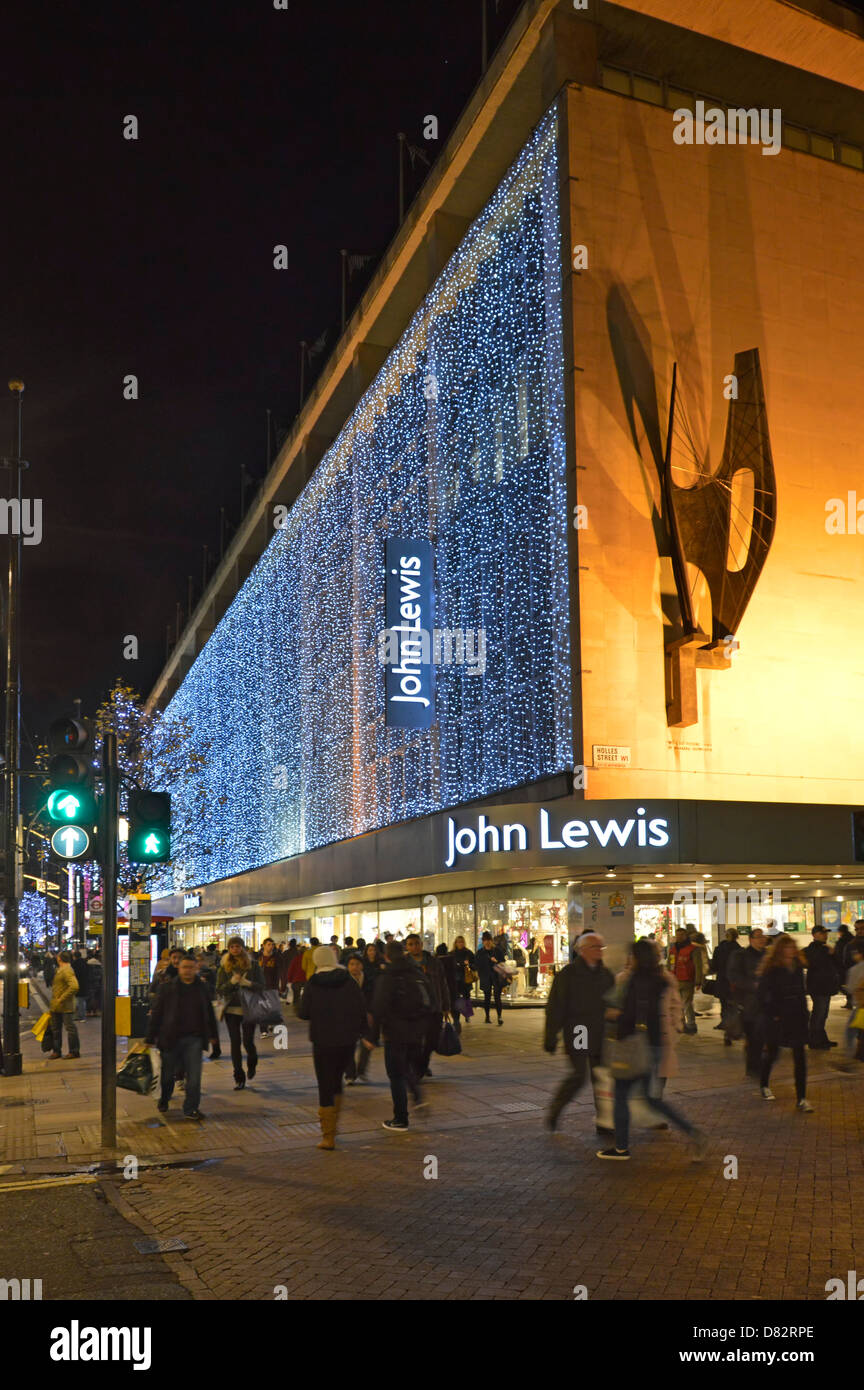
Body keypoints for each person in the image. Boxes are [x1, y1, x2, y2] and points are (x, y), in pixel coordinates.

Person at [597, 939, 706, 1161]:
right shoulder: (661, 979)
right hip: (655, 1045)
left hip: (634, 1046)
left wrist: (614, 1017)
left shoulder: (634, 981)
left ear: (636, 958)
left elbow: (629, 1014)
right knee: (650, 1098)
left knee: (621, 1096)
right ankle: (692, 1132)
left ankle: (621, 1148)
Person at [544, 932, 614, 1135]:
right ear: (582, 950)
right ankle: (556, 1108)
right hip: (579, 1031)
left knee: (601, 1078)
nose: (599, 951)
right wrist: (551, 1036)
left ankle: (605, 1121)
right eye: (595, 947)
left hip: (601, 1031)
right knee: (579, 1075)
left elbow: (614, 1001)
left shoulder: (606, 974)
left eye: (601, 947)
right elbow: (556, 1007)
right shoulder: (569, 974)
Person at [297, 946, 367, 1149]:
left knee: (324, 1083)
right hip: (346, 1039)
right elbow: (360, 1007)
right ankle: (334, 1127)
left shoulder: (313, 982)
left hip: (322, 1040)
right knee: (337, 1081)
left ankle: (328, 1136)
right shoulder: (348, 980)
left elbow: (303, 1013)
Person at [147, 954, 218, 1120]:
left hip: (194, 1038)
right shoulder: (167, 988)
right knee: (167, 1075)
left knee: (194, 1077)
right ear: (179, 969)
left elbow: (209, 1012)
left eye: (191, 967)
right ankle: (164, 1098)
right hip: (170, 1038)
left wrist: (213, 1035)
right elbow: (157, 1013)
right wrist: (150, 1037)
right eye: (184, 967)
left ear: (196, 969)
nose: (187, 971)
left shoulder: (202, 988)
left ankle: (191, 1108)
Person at [371, 940, 432, 1131]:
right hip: (416, 1031)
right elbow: (430, 999)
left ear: (387, 955)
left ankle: (400, 1118)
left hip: (394, 1033)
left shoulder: (388, 976)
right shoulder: (416, 972)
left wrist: (372, 1036)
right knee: (407, 1068)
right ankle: (417, 1093)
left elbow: (378, 1008)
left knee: (396, 1074)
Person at [756, 934, 813, 1110]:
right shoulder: (772, 969)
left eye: (792, 947)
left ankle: (801, 1098)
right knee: (772, 1053)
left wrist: (805, 1014)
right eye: (787, 948)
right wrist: (773, 1013)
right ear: (780, 950)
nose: (790, 951)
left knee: (800, 1058)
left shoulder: (797, 967)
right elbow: (763, 994)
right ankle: (764, 1084)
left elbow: (801, 992)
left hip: (796, 1016)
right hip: (778, 1017)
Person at [216, 936, 263, 1089]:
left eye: (237, 946)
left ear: (242, 947)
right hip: (231, 1009)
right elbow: (219, 988)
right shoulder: (224, 967)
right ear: (229, 949)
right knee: (235, 1042)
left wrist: (247, 983)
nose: (235, 949)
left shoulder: (253, 965)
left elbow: (262, 986)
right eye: (232, 947)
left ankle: (252, 1062)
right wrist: (232, 982)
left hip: (249, 1008)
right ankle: (238, 1076)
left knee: (248, 1041)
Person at [405, 932, 451, 1075]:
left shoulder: (433, 962)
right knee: (416, 1042)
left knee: (432, 1040)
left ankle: (422, 1065)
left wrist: (446, 1006)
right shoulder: (404, 963)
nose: (415, 947)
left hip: (434, 1007)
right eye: (411, 944)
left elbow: (443, 984)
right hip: (414, 1009)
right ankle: (419, 1068)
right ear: (407, 947)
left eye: (417, 943)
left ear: (421, 944)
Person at [728, 927, 767, 1077]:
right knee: (753, 1036)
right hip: (749, 1003)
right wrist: (752, 985)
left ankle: (758, 1063)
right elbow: (734, 976)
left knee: (764, 1036)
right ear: (751, 940)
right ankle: (753, 1067)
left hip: (767, 1002)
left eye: (763, 936)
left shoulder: (769, 955)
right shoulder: (741, 955)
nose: (762, 939)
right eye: (758, 936)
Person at [802, 926, 839, 1050]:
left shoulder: (825, 949)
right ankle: (815, 1041)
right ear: (815, 935)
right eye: (822, 933)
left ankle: (821, 1039)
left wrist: (833, 954)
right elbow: (814, 963)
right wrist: (828, 953)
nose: (825, 935)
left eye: (825, 933)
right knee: (819, 1013)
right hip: (818, 987)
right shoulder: (812, 949)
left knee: (822, 1014)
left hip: (825, 986)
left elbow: (835, 964)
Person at [345, 954, 377, 1084]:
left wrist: (371, 1012)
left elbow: (374, 998)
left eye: (357, 964)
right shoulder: (344, 981)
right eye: (352, 964)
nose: (354, 967)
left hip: (367, 1017)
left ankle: (362, 1070)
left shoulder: (369, 980)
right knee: (348, 1046)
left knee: (367, 1045)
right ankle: (350, 1074)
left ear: (362, 965)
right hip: (349, 1018)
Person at [710, 928, 742, 1044]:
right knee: (732, 1007)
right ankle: (730, 1030)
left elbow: (714, 966)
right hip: (733, 982)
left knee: (724, 1006)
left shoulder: (719, 949)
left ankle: (726, 1026)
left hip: (722, 981)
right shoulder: (739, 950)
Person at [667, 928, 701, 1034]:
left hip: (687, 980)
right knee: (678, 1004)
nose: (679, 937)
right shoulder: (672, 949)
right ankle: (681, 1024)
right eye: (677, 935)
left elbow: (698, 965)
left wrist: (698, 981)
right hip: (675, 980)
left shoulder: (693, 949)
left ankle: (691, 1025)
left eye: (681, 935)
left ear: (686, 936)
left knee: (686, 1004)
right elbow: (669, 964)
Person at [48, 951, 81, 1059]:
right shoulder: (60, 970)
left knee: (70, 1028)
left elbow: (74, 986)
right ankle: (56, 1051)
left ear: (59, 959)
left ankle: (74, 1051)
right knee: (56, 1029)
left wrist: (62, 998)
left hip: (65, 1006)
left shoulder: (67, 970)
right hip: (57, 1006)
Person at [476, 931, 506, 1025]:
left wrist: (496, 961)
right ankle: (487, 1016)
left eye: (489, 940)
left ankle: (499, 1017)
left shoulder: (497, 951)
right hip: (485, 976)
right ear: (483, 941)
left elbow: (503, 963)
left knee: (497, 997)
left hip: (496, 976)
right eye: (485, 940)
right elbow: (477, 964)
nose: (487, 942)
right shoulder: (480, 952)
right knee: (487, 997)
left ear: (491, 941)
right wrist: (478, 973)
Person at [842, 942, 864, 1064]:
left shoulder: (854, 969)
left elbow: (851, 988)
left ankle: (849, 1056)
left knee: (850, 1031)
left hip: (861, 1006)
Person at [258, 938, 282, 1037]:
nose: (270, 946)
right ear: (263, 945)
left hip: (272, 986)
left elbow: (280, 971)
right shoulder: (258, 957)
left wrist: (280, 985)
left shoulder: (277, 957)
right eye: (268, 944)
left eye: (272, 944)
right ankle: (263, 1030)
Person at [834, 924, 855, 1007]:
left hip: (843, 966)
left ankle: (851, 999)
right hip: (852, 965)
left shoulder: (841, 941)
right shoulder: (853, 939)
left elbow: (838, 954)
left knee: (840, 984)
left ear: (841, 932)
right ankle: (850, 1000)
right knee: (849, 984)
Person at [285, 940, 308, 1013]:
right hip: (306, 979)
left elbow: (291, 969)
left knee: (296, 996)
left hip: (297, 980)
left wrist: (289, 979)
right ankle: (305, 1009)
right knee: (306, 996)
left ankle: (296, 1010)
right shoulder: (309, 959)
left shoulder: (296, 958)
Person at [72, 948, 89, 1021]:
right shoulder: (85, 963)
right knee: (82, 1001)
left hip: (78, 985)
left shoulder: (74, 964)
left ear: (74, 956)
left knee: (79, 1001)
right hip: (85, 984)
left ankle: (81, 1016)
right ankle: (80, 1015)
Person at [85, 952, 102, 1016]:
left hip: (89, 984)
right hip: (97, 984)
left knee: (89, 998)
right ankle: (95, 1011)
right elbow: (101, 975)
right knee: (97, 998)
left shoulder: (87, 965)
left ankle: (89, 1011)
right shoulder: (99, 965)